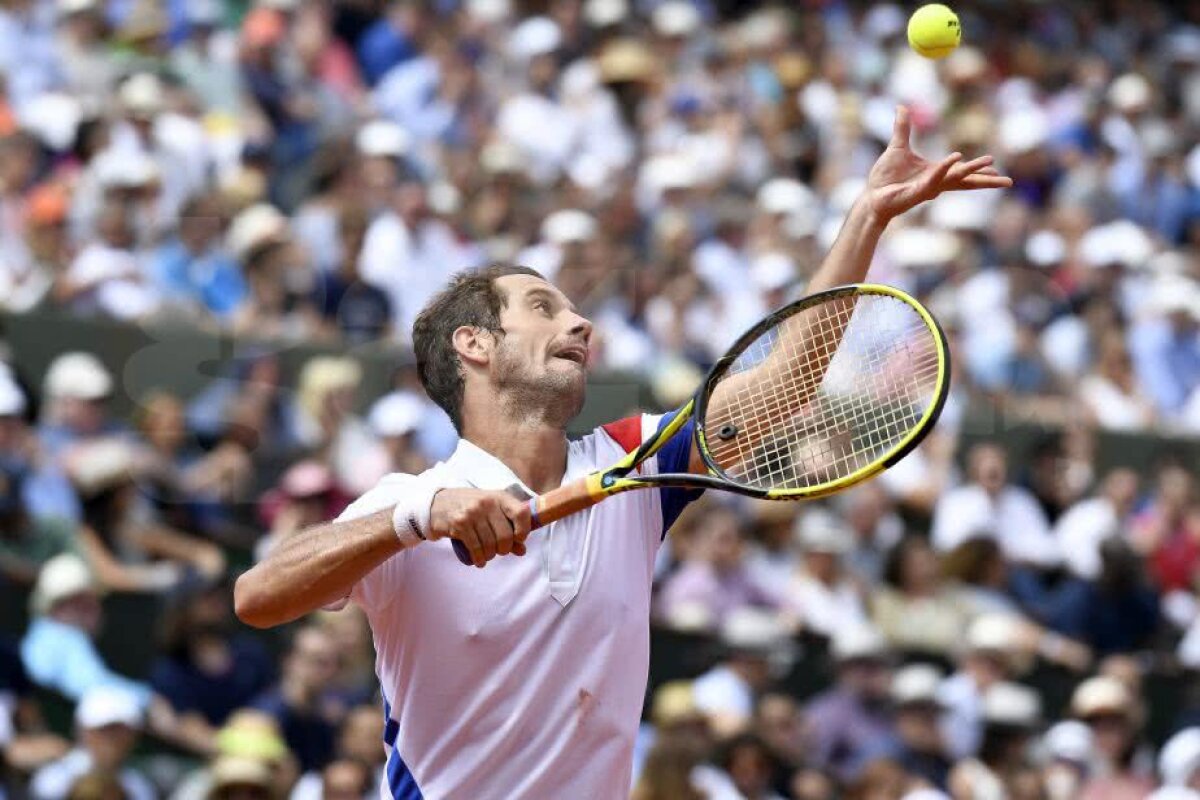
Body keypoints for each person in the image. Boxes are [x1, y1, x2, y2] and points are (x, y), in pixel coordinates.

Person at [234, 106, 1011, 797]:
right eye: (544, 308)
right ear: (472, 345)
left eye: (577, 312)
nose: (579, 325)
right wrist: (418, 517)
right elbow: (259, 596)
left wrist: (867, 218)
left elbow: (781, 388)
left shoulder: (631, 462)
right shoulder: (410, 499)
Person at [804, 625, 896, 783]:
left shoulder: (892, 706)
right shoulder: (825, 711)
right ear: (840, 669)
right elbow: (814, 767)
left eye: (873, 665)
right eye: (857, 665)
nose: (865, 673)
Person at [29, 686, 153, 800]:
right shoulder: (51, 783)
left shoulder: (139, 787)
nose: (112, 739)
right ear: (83, 731)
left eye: (121, 730)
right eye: (104, 729)